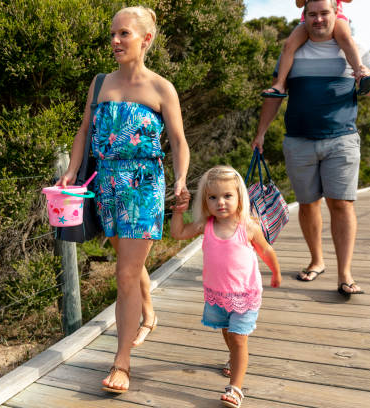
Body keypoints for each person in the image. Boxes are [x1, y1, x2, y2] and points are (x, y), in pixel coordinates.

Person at [56, 6, 190, 393]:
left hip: (144, 184)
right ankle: (148, 312)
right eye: (113, 34)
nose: (115, 41)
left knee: (126, 273)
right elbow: (84, 131)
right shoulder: (99, 84)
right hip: (106, 186)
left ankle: (122, 363)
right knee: (127, 263)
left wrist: (180, 179)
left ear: (146, 40)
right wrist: (72, 170)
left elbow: (179, 142)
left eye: (124, 34)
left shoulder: (162, 88)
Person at [252, 0, 370, 296]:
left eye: (324, 13)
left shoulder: (353, 47)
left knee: (341, 204)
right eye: (312, 14)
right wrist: (261, 133)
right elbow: (276, 92)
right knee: (308, 203)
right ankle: (316, 261)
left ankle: (345, 275)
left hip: (342, 139)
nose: (318, 20)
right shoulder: (293, 50)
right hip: (298, 140)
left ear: (336, 14)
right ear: (304, 16)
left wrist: (369, 81)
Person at [170, 166, 281, 408]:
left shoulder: (247, 226)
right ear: (205, 200)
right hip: (217, 295)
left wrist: (275, 272)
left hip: (245, 294)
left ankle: (236, 389)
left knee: (239, 340)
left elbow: (266, 250)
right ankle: (233, 359)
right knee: (226, 332)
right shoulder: (205, 226)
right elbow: (177, 233)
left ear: (240, 196)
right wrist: (179, 211)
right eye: (213, 197)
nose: (220, 202)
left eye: (227, 196)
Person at [261, 0, 370, 98]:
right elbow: (299, 4)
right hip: (309, 19)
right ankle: (279, 85)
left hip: (335, 17)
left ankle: (361, 76)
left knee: (345, 38)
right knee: (288, 45)